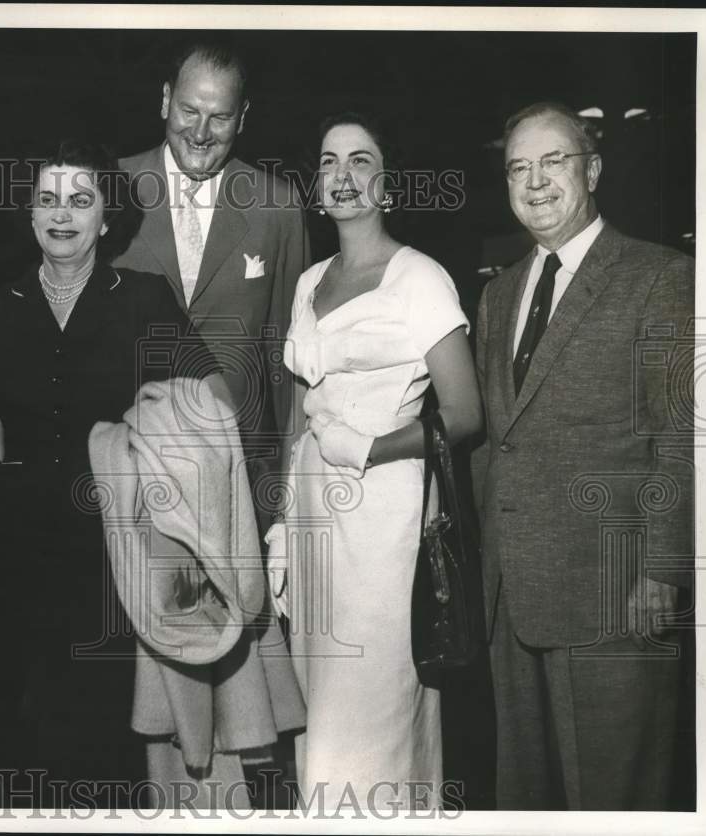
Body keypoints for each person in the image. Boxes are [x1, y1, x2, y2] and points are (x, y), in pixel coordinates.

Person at [0, 140, 213, 803]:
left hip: (117, 570)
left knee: (108, 752)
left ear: (105, 218)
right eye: (46, 200)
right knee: (28, 753)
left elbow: (214, 407)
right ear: (30, 215)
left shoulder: (144, 301)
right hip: (19, 570)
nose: (61, 215)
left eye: (79, 199)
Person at [471, 101, 694, 810]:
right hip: (512, 595)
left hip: (614, 594)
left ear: (592, 169)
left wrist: (662, 568)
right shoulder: (497, 294)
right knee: (525, 801)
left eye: (553, 161)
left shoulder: (660, 277)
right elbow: (495, 438)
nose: (535, 182)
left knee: (614, 800)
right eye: (518, 168)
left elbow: (681, 437)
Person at [269, 111, 482, 809]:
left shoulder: (420, 278)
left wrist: (371, 447)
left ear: (387, 183)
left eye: (360, 161)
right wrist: (279, 526)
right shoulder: (308, 282)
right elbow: (303, 414)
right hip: (311, 523)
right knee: (314, 713)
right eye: (329, 162)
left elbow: (465, 415)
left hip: (384, 524)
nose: (343, 176)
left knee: (370, 720)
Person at [114, 41, 310, 510]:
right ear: (165, 100)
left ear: (242, 117)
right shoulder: (109, 188)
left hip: (239, 475)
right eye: (188, 110)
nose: (200, 133)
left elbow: (289, 356)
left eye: (219, 117)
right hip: (125, 467)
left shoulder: (278, 207)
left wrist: (286, 481)